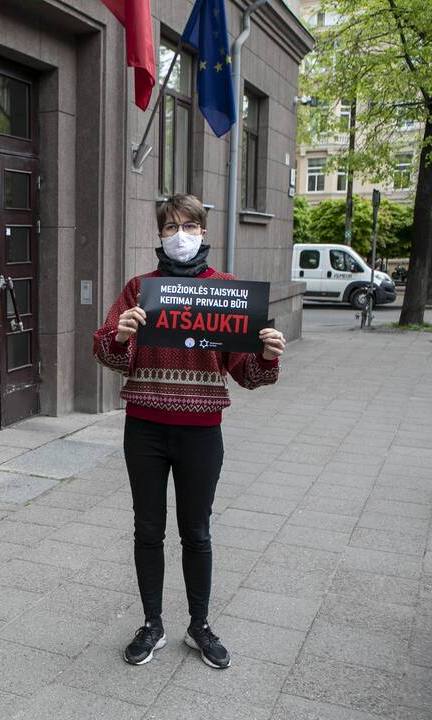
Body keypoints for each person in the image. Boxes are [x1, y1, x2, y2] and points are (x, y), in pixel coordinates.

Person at [92, 195, 285, 669]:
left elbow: (246, 373)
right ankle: (152, 623)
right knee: (148, 529)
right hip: (146, 429)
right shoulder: (140, 289)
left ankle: (199, 625)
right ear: (159, 235)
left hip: (201, 432)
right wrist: (120, 336)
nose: (181, 234)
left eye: (190, 225)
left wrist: (267, 355)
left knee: (196, 532)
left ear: (204, 230)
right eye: (171, 226)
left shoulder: (226, 293)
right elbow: (107, 352)